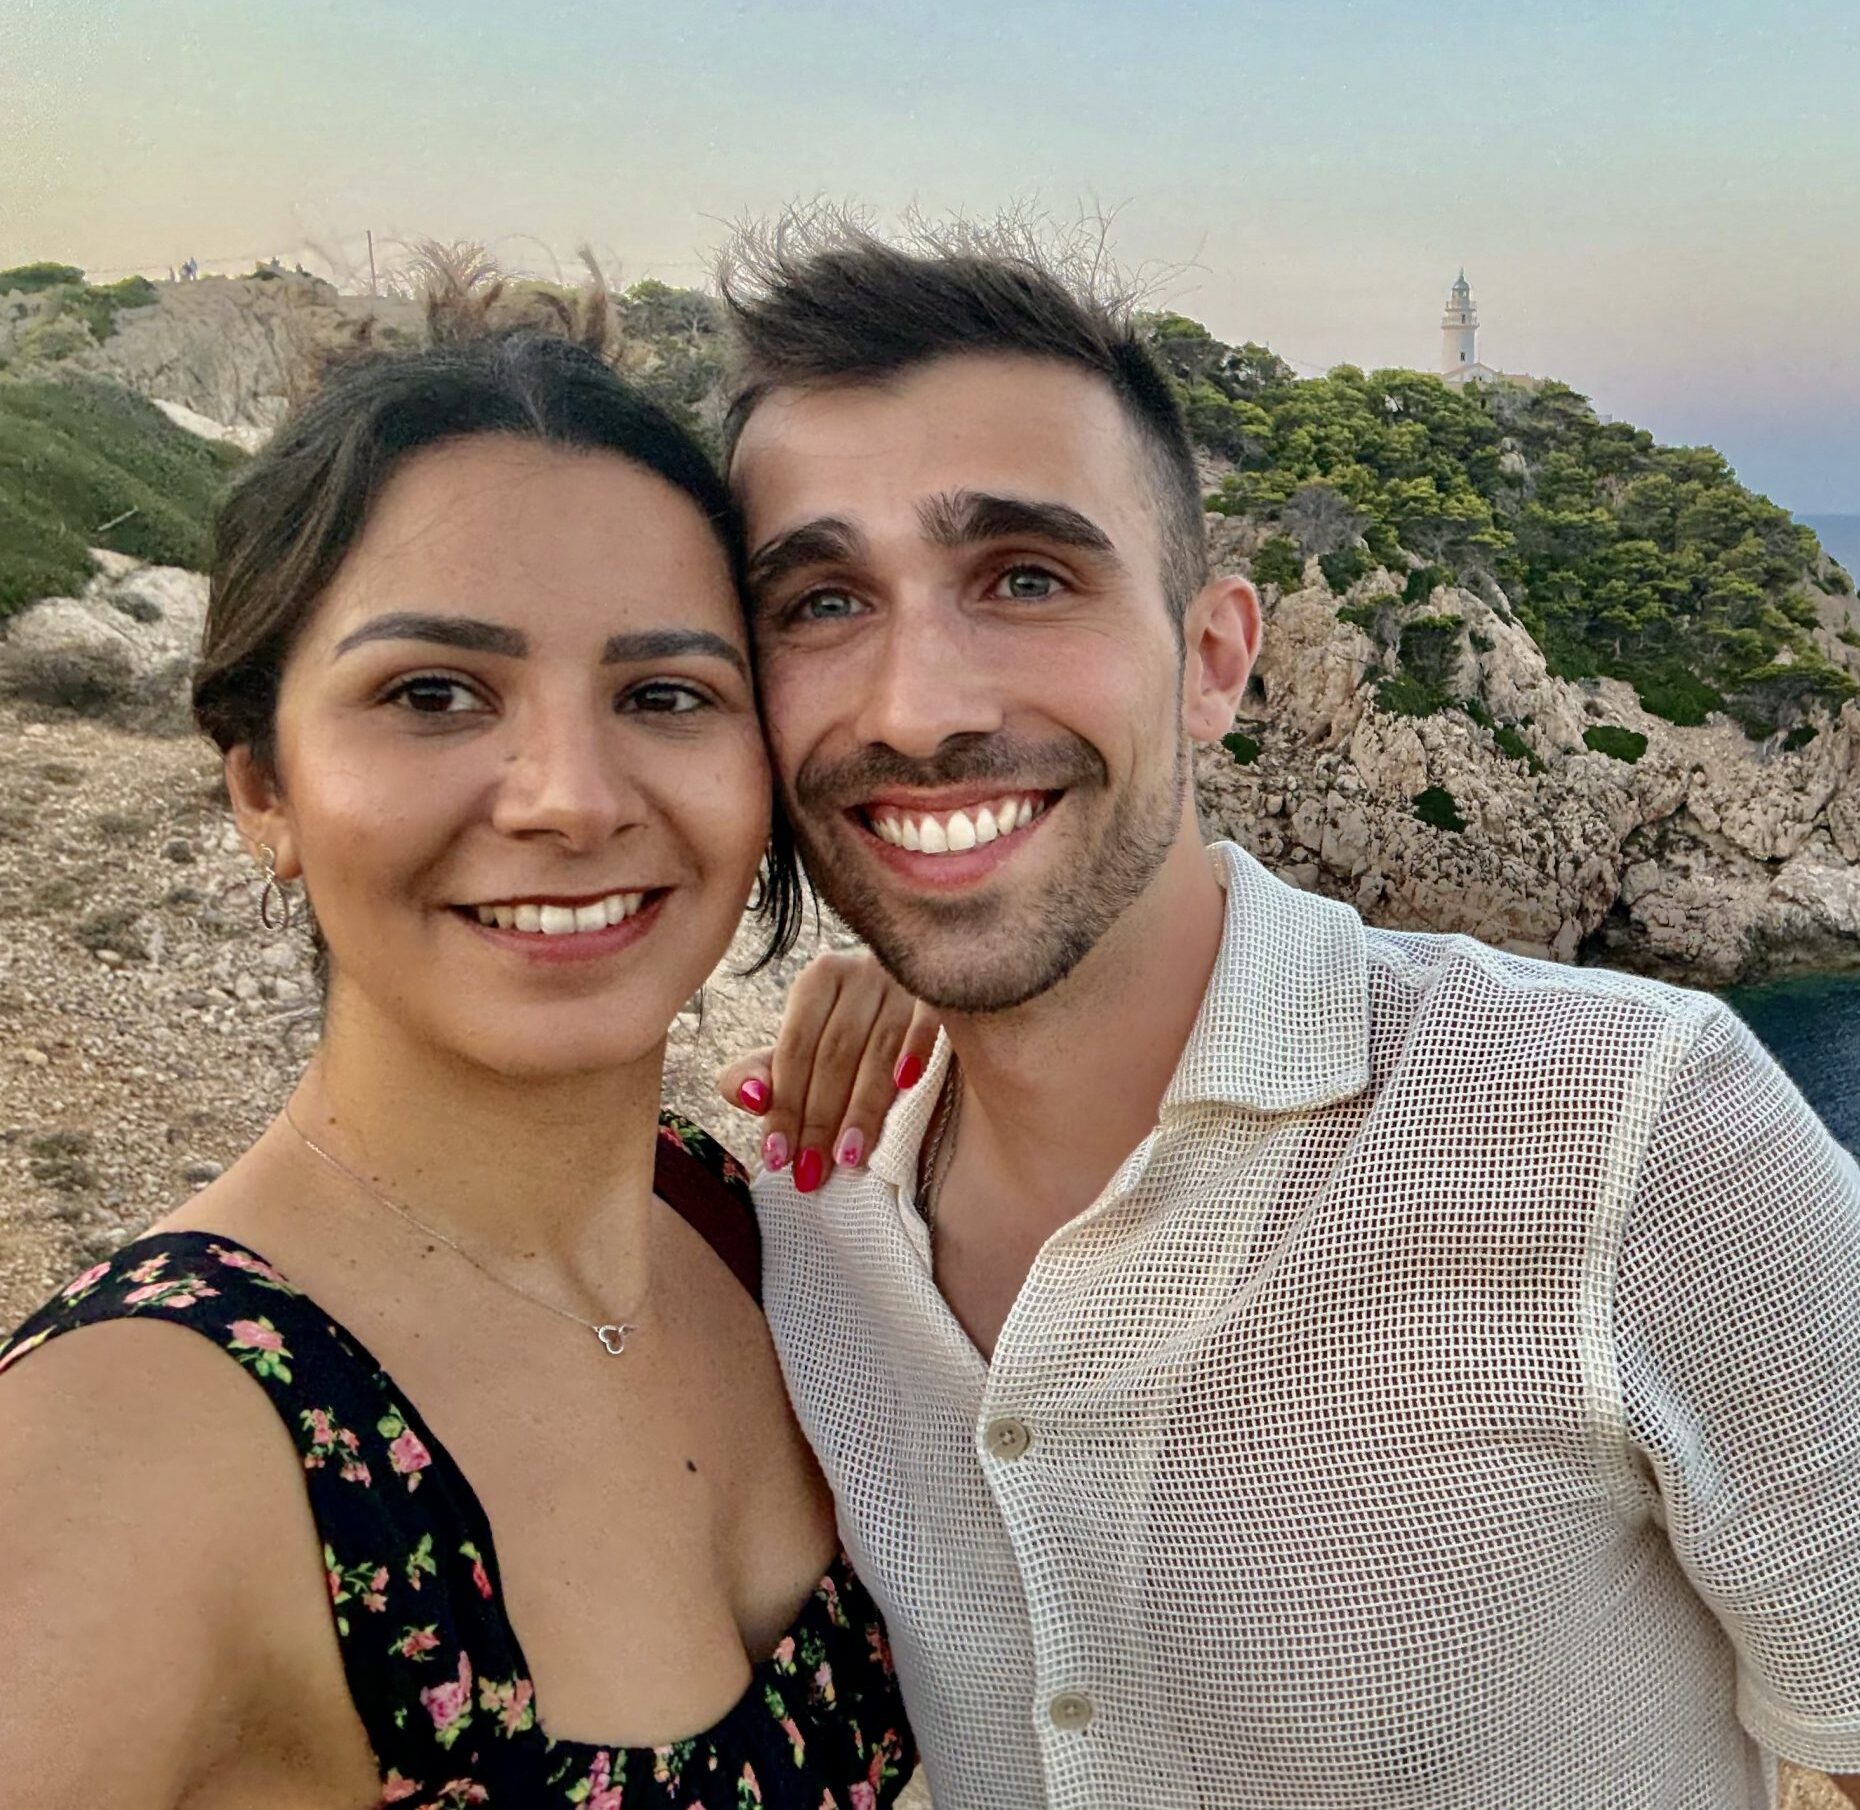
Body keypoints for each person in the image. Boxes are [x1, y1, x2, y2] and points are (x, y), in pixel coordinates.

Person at [719, 225, 1860, 1809]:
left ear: (1214, 659)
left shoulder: (1638, 1130)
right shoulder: (789, 1217)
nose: (919, 706)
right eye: (823, 600)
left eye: (1027, 577)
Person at [0, 322, 912, 1808]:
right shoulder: (132, 1448)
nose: (571, 800)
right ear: (264, 787)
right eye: (434, 693)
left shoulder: (739, 1228)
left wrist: (964, 983)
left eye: (665, 694)